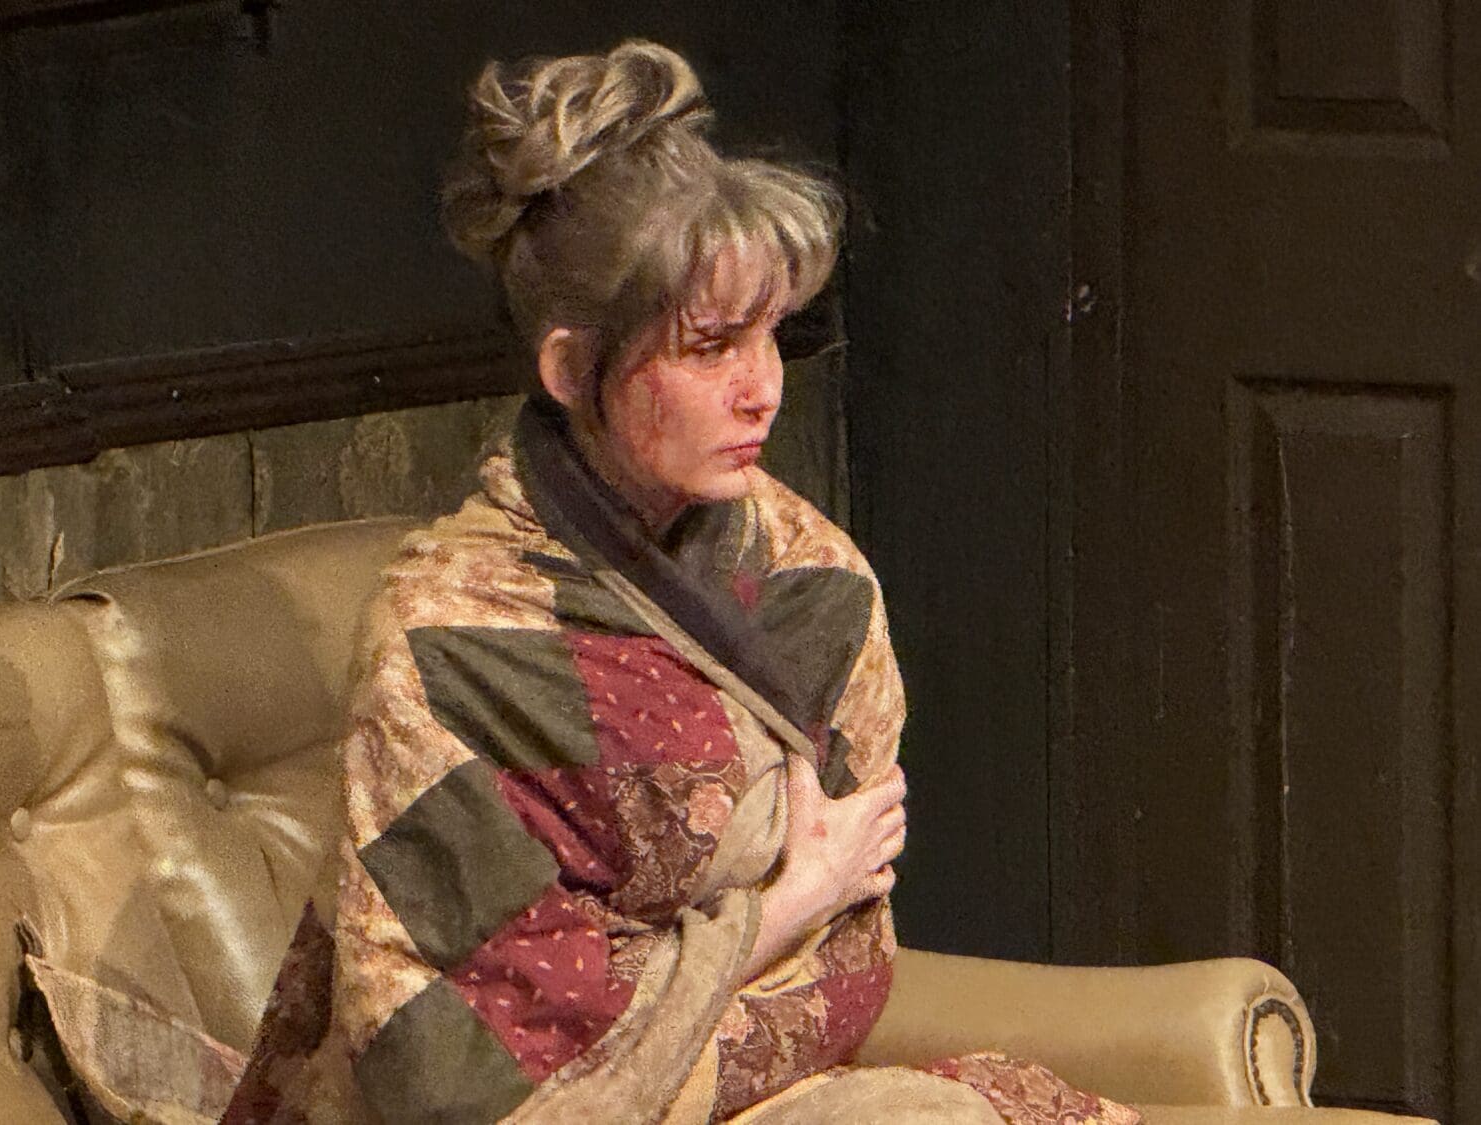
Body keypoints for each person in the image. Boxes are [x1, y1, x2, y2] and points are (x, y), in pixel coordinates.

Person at [221, 39, 1142, 1125]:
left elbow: (846, 973)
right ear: (573, 368)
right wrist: (784, 900)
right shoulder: (447, 646)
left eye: (771, 335)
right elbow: (462, 1072)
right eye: (709, 348)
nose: (764, 389)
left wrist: (721, 966)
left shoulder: (811, 579)